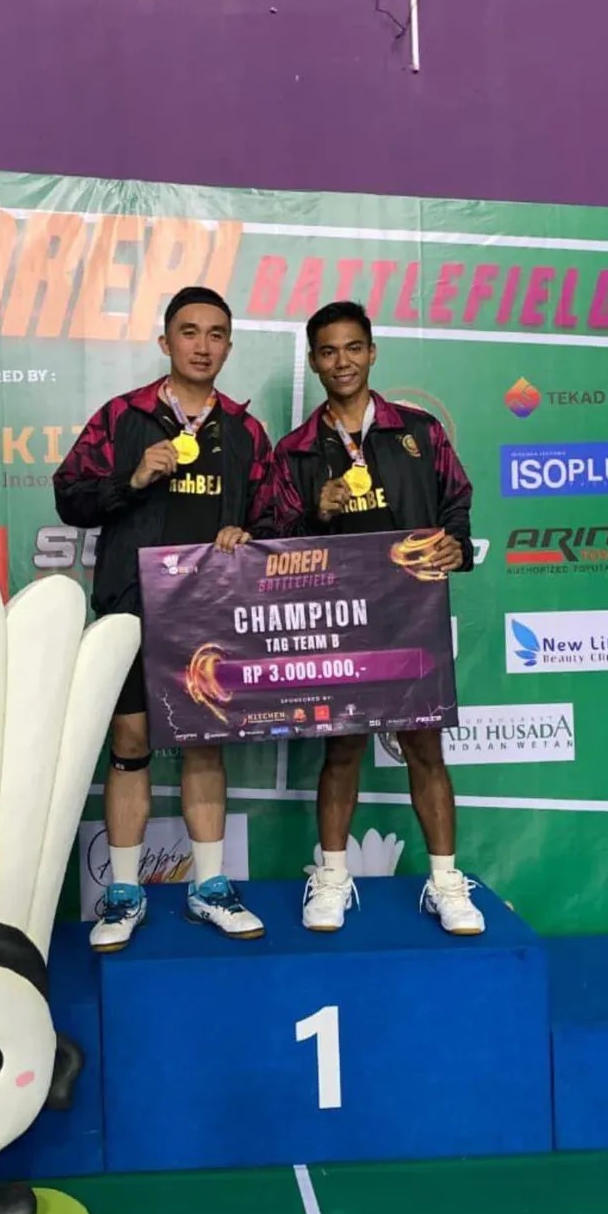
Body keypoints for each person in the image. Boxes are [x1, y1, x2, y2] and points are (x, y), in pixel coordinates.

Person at [53, 286, 275, 952]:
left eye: (216, 334)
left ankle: (210, 888)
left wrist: (249, 534)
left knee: (204, 741)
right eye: (189, 332)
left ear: (229, 346)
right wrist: (131, 478)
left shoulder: (245, 432)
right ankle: (124, 893)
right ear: (166, 341)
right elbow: (70, 497)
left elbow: (275, 516)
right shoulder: (123, 417)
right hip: (132, 602)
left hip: (211, 609)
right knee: (129, 741)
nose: (202, 346)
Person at [272, 299, 484, 937]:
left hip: (410, 613)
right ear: (314, 362)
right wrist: (318, 513)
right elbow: (276, 546)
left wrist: (456, 544)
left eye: (353, 347)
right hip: (338, 617)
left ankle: (446, 882)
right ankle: (333, 878)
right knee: (342, 747)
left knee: (425, 747)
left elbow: (456, 501)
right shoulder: (297, 452)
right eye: (328, 351)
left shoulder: (419, 431)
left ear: (372, 351)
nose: (342, 361)